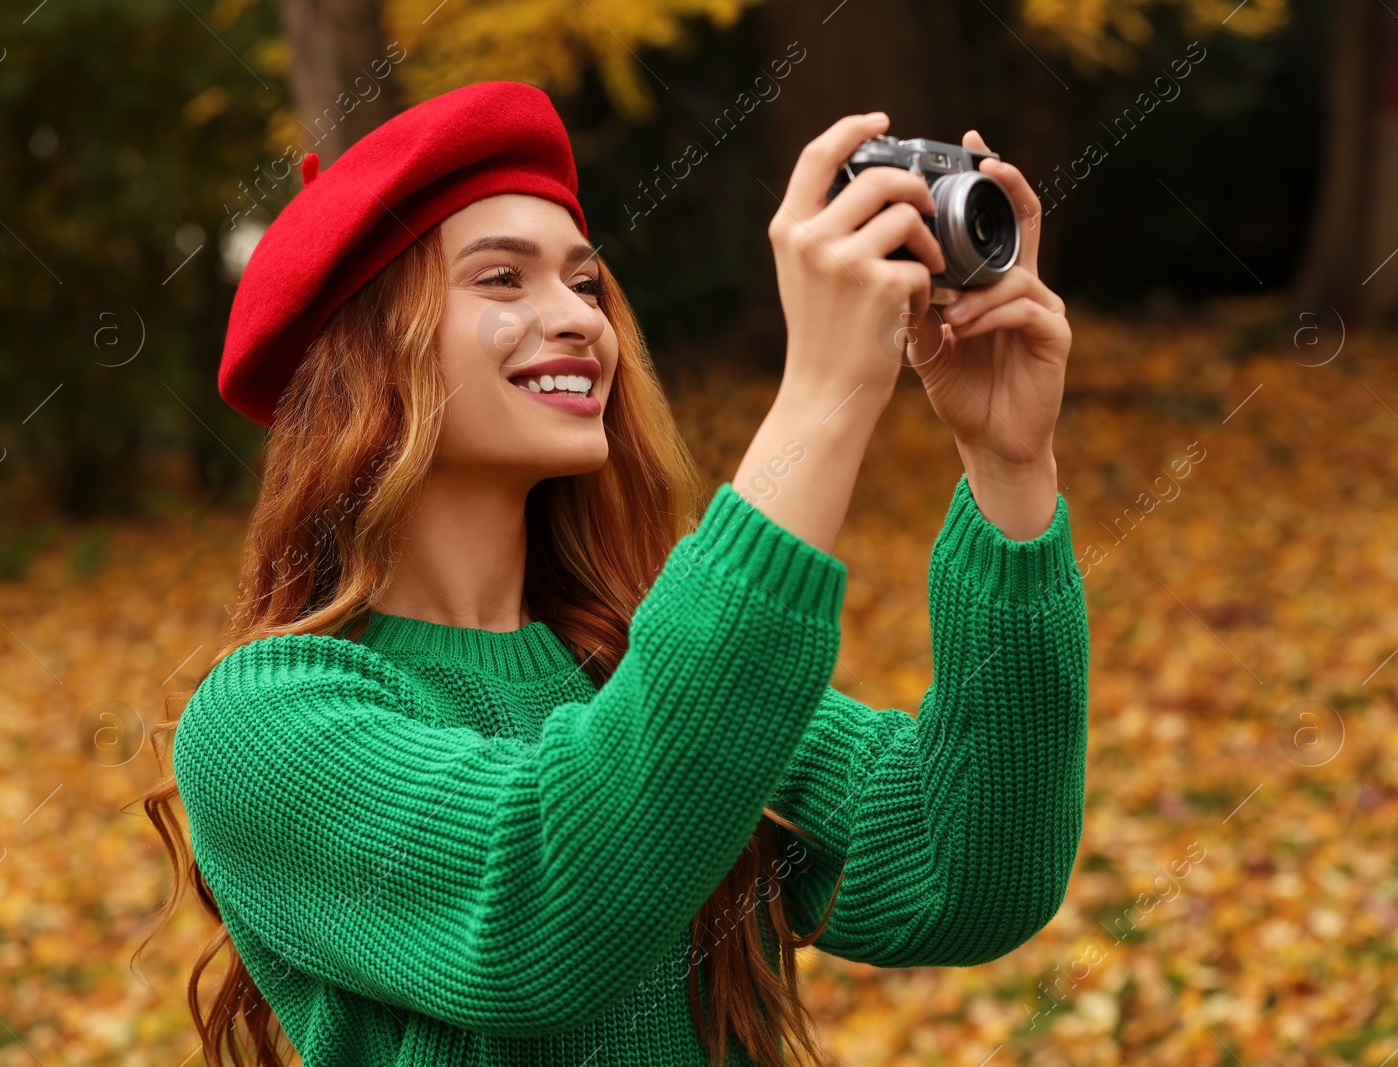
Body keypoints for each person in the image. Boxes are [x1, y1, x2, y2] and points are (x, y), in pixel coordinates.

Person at [141, 80, 1087, 1067]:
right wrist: (822, 396)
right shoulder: (263, 724)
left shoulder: (629, 660)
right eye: (503, 279)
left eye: (585, 283)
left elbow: (971, 869)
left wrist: (1008, 468)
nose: (579, 319)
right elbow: (543, 912)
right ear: (363, 357)